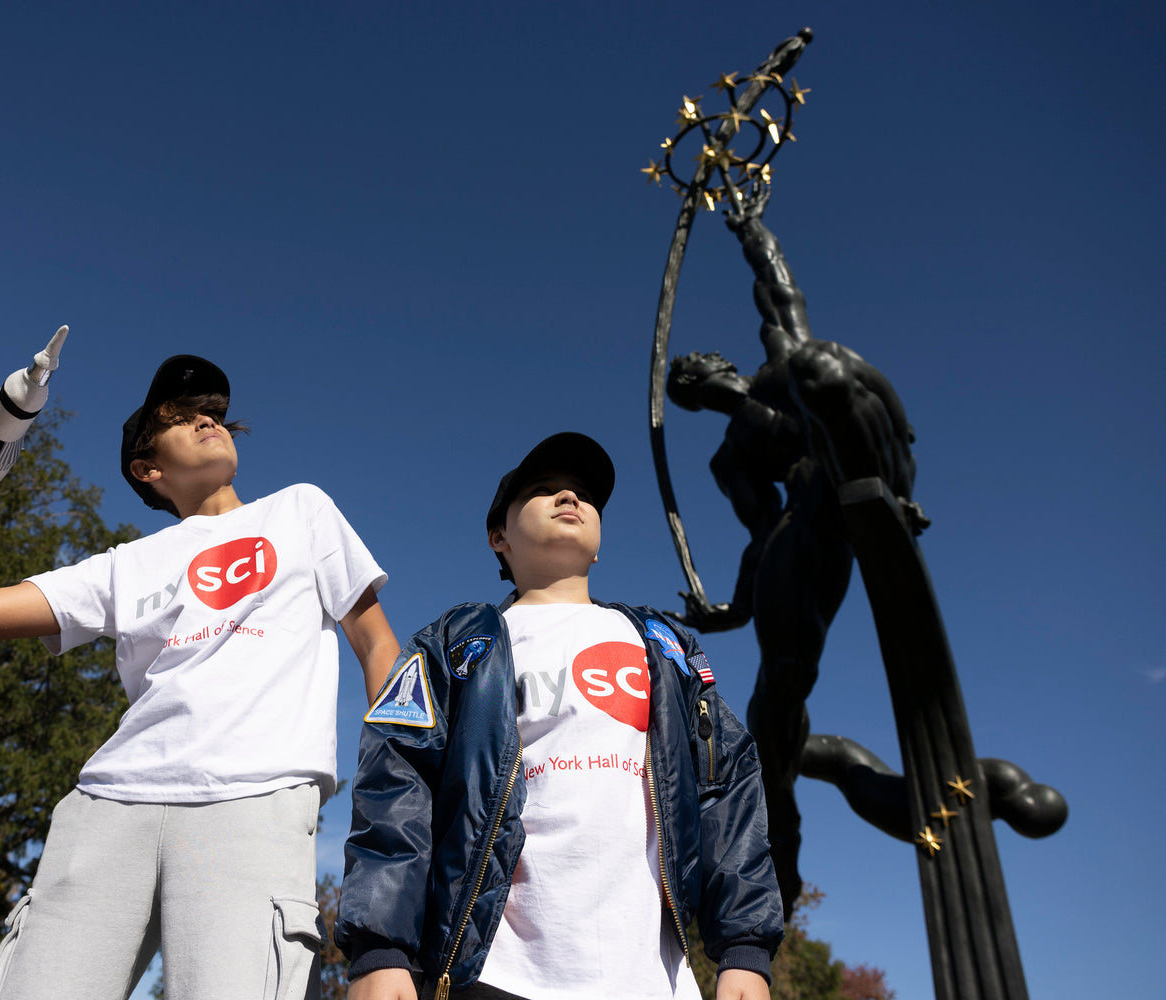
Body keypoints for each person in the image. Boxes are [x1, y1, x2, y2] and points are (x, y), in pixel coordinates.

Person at [0, 354, 400, 1000]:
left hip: (250, 802)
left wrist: (396, 793)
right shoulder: (125, 565)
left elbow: (378, 647)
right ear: (148, 468)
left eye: (213, 414)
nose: (209, 422)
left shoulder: (302, 512)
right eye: (183, 419)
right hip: (109, 808)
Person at [334, 433, 782, 1000]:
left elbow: (727, 784)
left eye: (584, 495)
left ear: (598, 544)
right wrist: (382, 948)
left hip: (653, 979)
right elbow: (396, 782)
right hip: (496, 974)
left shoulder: (664, 647)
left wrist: (745, 946)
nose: (569, 496)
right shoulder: (456, 644)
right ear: (499, 537)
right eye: (543, 491)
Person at [662, 182, 926, 916]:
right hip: (810, 522)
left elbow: (778, 291)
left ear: (720, 361)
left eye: (699, 365)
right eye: (685, 382)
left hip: (858, 459)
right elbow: (760, 533)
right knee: (778, 688)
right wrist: (733, 609)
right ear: (691, 400)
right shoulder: (729, 461)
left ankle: (886, 498)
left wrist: (751, 230)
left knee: (819, 364)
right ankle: (779, 828)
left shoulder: (782, 361)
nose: (697, 375)